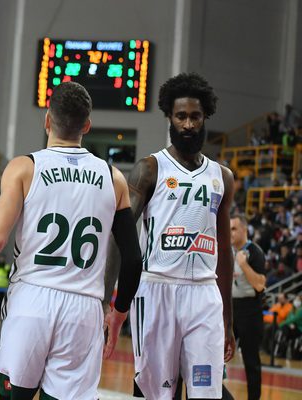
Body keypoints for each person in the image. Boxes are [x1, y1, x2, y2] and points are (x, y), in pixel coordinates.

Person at [0, 81, 143, 399]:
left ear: (47, 120)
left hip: (32, 300)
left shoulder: (24, 167)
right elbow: (133, 258)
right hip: (84, 309)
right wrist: (119, 313)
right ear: (87, 125)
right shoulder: (114, 178)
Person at [104, 72, 235, 399]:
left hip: (204, 294)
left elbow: (225, 249)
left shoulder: (223, 177)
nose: (188, 124)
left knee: (207, 392)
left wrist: (228, 319)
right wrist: (106, 299)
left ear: (205, 118)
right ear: (169, 118)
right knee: (157, 394)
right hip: (157, 290)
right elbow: (120, 236)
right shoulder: (150, 169)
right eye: (181, 116)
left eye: (195, 116)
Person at [230, 214, 266, 400]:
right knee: (216, 355)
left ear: (244, 230)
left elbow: (260, 285)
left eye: (234, 229)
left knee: (251, 361)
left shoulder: (255, 252)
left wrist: (243, 265)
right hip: (231, 309)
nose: (230, 233)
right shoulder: (227, 251)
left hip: (250, 311)